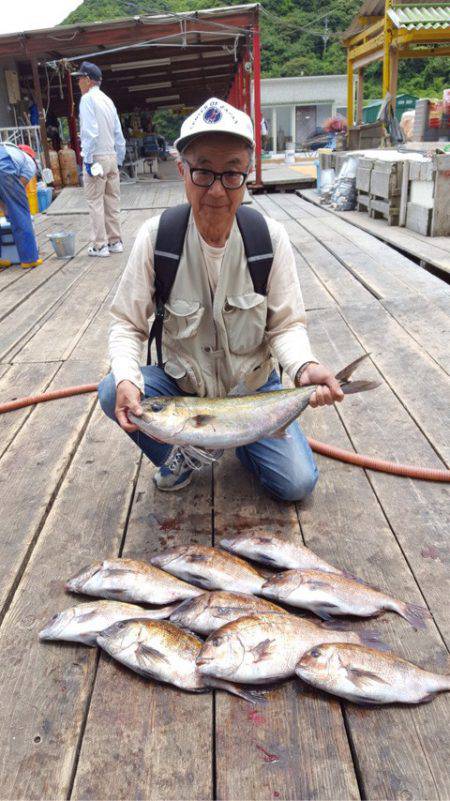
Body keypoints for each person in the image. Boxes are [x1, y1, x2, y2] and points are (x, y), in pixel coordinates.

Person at [98, 97, 343, 500]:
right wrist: (127, 376)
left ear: (248, 173)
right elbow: (127, 324)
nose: (216, 190)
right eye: (202, 173)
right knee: (112, 389)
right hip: (183, 391)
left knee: (297, 485)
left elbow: (285, 325)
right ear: (182, 170)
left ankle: (245, 440)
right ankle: (177, 456)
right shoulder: (157, 239)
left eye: (231, 174)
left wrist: (303, 367)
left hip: (254, 392)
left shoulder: (269, 239)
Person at [71, 61, 126, 258]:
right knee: (112, 200)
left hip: (96, 157)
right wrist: (119, 158)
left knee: (95, 201)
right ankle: (115, 241)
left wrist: (87, 158)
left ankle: (99, 245)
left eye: (79, 78)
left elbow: (90, 132)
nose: (78, 82)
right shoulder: (107, 100)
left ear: (87, 80)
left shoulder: (87, 100)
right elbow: (118, 133)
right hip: (111, 156)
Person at [0, 142, 42, 269]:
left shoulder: (10, 149)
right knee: (20, 212)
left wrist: (4, 208)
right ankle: (29, 259)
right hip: (4, 167)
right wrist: (11, 210)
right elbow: (18, 189)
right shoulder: (30, 164)